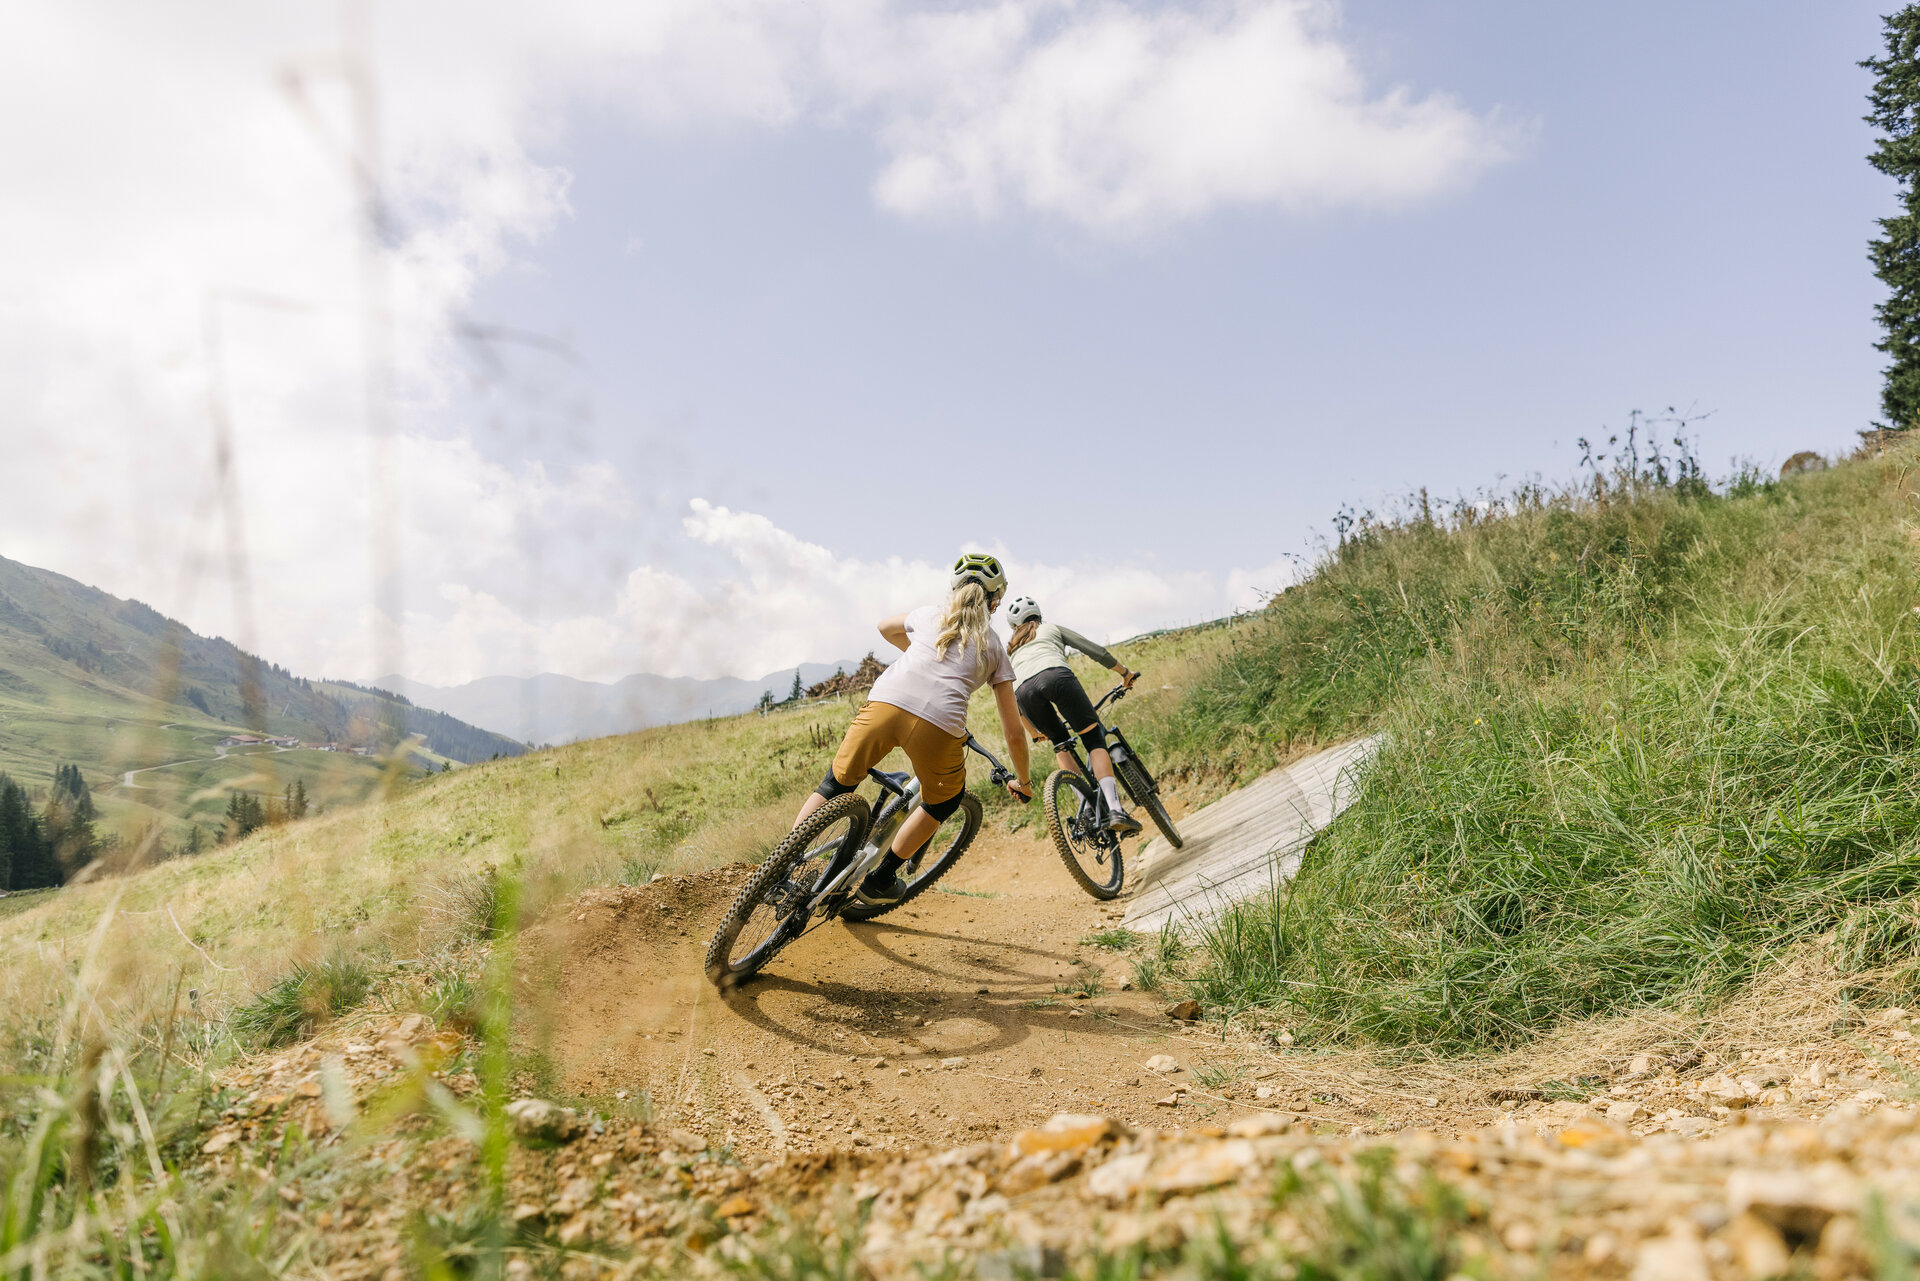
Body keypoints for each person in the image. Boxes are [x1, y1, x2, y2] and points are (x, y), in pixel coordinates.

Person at [790, 553, 1033, 902]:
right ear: (995, 602)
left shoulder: (929, 615)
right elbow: (1013, 732)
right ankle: (880, 880)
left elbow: (884, 627)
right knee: (945, 801)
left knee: (835, 783)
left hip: (884, 702)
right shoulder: (994, 645)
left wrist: (920, 649)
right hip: (939, 725)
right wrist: (1023, 781)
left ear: (954, 589)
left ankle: (782, 866)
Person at [1003, 596, 1141, 835]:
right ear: (1039, 615)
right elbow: (1094, 650)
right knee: (1094, 739)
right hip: (1056, 677)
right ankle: (1115, 809)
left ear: (1014, 626)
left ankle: (1086, 808)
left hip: (1024, 693)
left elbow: (1012, 698)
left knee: (1061, 744)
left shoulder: (1012, 650)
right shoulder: (1050, 628)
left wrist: (1033, 731)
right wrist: (1125, 673)